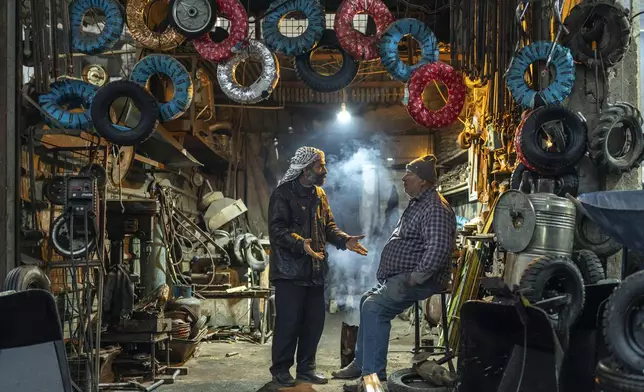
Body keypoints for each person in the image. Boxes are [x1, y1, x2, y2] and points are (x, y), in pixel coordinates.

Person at [331, 154, 456, 392]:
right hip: (405, 276)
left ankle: (373, 381)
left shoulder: (435, 207)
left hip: (422, 279)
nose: (404, 178)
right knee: (368, 299)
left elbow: (438, 248)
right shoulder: (419, 203)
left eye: (410, 174)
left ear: (423, 180)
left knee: (375, 308)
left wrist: (415, 276)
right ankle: (361, 364)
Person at [268, 146, 369, 387]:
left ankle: (306, 369)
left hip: (315, 271)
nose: (324, 170)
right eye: (319, 166)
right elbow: (276, 230)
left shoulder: (320, 194)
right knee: (288, 323)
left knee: (313, 324)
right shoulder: (282, 194)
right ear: (305, 170)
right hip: (289, 273)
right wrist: (300, 244)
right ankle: (280, 370)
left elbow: (328, 227)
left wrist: (345, 240)